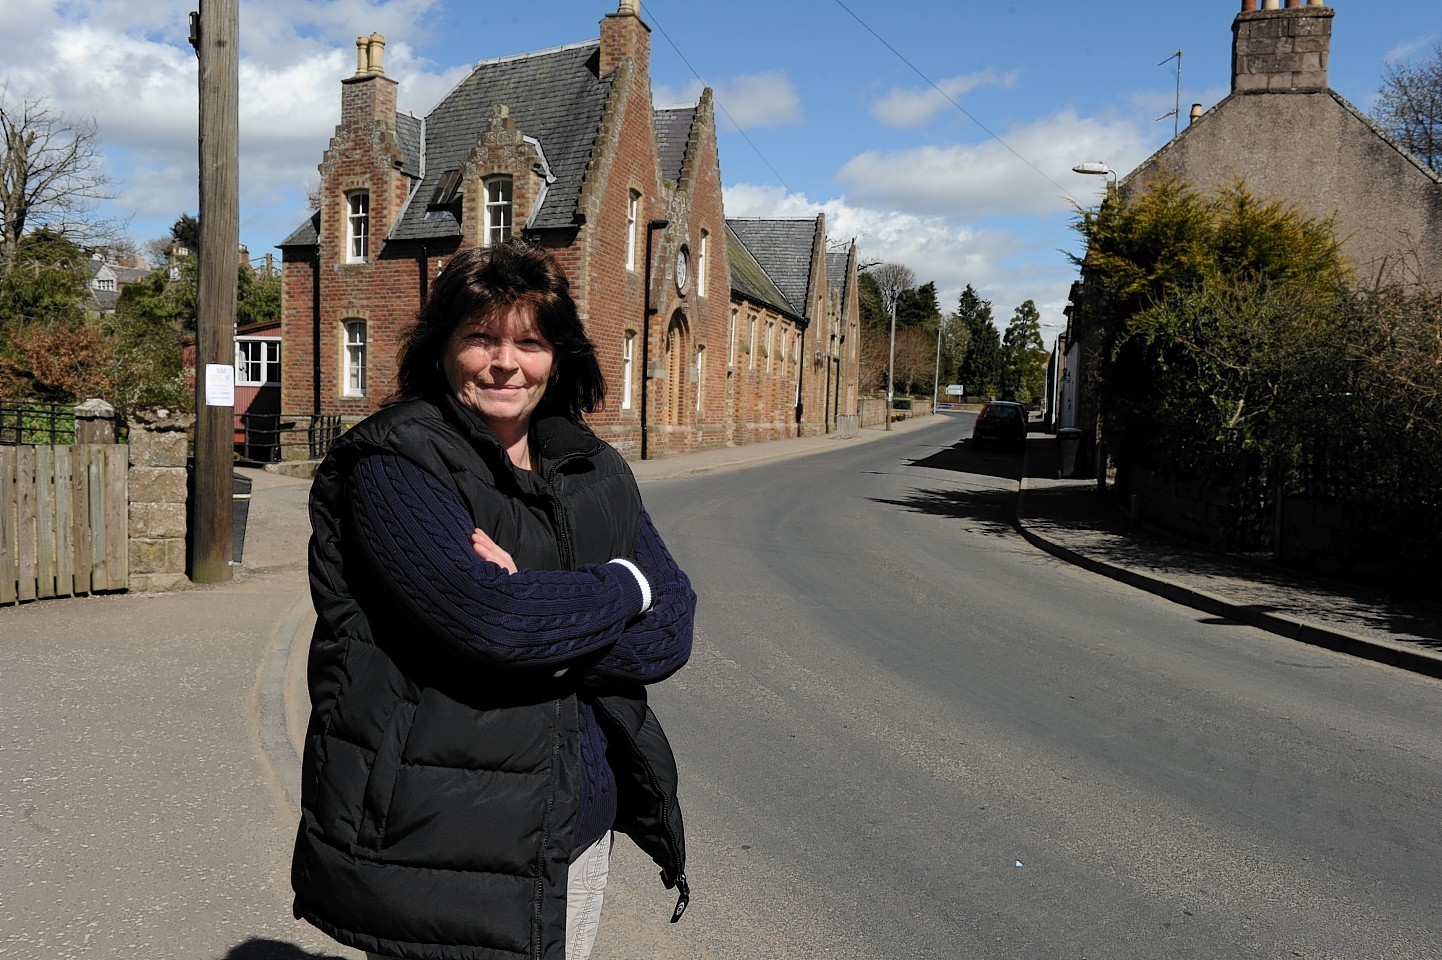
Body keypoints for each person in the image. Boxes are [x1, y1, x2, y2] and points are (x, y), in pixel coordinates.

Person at [292, 241, 695, 960]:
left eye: (530, 342)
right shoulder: (395, 462)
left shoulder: (593, 467)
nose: (506, 361)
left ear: (559, 356)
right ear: (442, 349)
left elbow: (671, 631)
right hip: (441, 836)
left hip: (574, 818)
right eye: (480, 337)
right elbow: (493, 622)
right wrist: (619, 589)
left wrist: (548, 603)